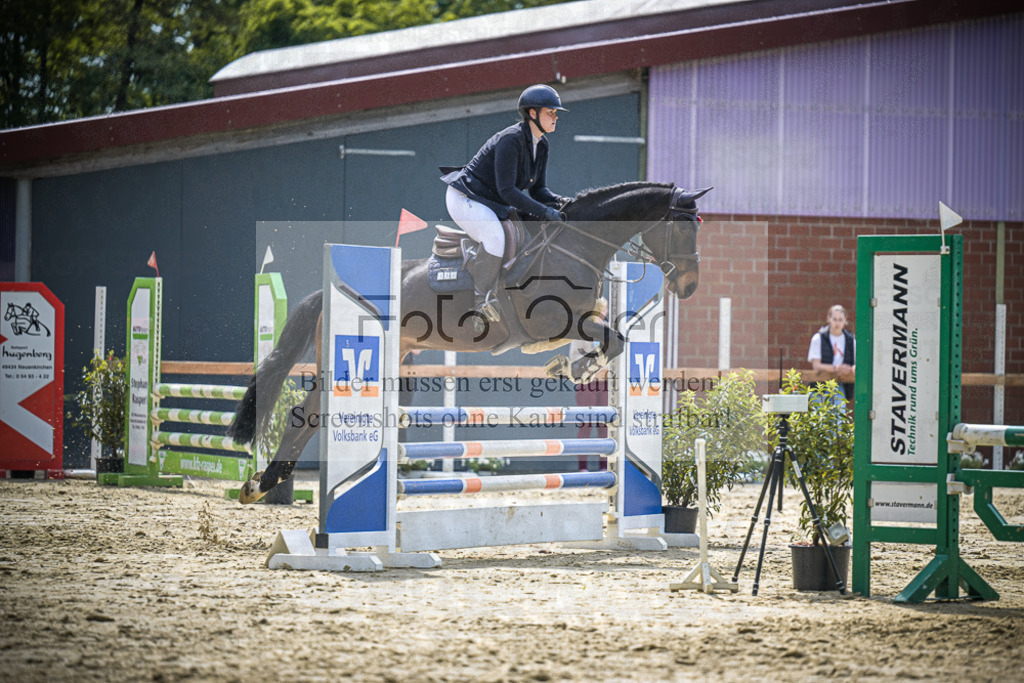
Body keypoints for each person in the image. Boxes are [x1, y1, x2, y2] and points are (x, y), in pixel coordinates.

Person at [441, 84, 570, 328]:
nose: (555, 117)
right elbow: (507, 190)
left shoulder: (541, 145)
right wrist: (544, 211)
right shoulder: (510, 140)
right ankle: (480, 305)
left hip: (492, 202)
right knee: (495, 237)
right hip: (466, 198)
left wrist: (562, 203)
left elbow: (538, 190)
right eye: (550, 112)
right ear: (532, 113)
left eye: (556, 113)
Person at [807, 304, 856, 402]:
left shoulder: (851, 340)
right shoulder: (818, 338)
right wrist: (838, 368)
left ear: (845, 321)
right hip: (820, 385)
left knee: (839, 414)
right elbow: (816, 365)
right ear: (828, 319)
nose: (837, 323)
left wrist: (852, 368)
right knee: (820, 415)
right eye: (834, 319)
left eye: (840, 319)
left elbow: (855, 363)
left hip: (840, 384)